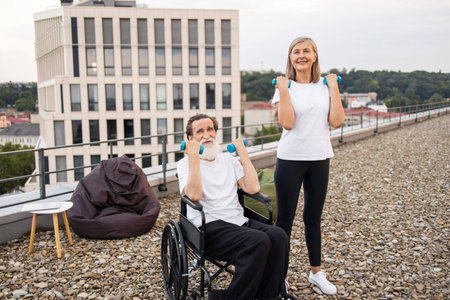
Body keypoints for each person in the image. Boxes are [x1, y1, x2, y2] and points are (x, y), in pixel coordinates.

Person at [177, 114, 290, 300]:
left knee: (279, 236)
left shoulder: (229, 161)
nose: (207, 135)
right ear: (190, 139)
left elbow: (253, 188)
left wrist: (243, 155)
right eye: (200, 131)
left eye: (210, 129)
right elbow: (194, 195)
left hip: (238, 222)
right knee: (258, 241)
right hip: (208, 227)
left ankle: (268, 295)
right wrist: (193, 157)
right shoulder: (185, 164)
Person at [272, 36, 345, 295]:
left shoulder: (326, 86)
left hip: (319, 158)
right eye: (296, 52)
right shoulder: (284, 87)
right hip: (290, 158)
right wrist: (283, 88)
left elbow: (336, 121)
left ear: (315, 56)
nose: (301, 55)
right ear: (290, 58)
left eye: (306, 51)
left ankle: (316, 273)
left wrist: (333, 86)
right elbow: (288, 123)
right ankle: (278, 277)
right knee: (285, 221)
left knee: (313, 218)